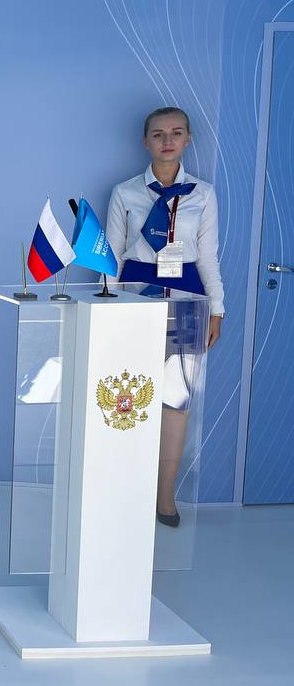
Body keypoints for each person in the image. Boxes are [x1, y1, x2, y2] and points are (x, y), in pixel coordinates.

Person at [107, 106, 224, 528]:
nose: (167, 140)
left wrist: (217, 308)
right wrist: (109, 306)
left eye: (176, 133)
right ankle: (122, 489)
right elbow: (112, 258)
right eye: (158, 134)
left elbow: (207, 258)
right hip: (135, 299)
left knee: (176, 402)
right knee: (127, 396)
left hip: (188, 302)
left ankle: (164, 495)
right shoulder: (125, 193)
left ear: (188, 139)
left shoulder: (203, 194)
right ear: (146, 141)